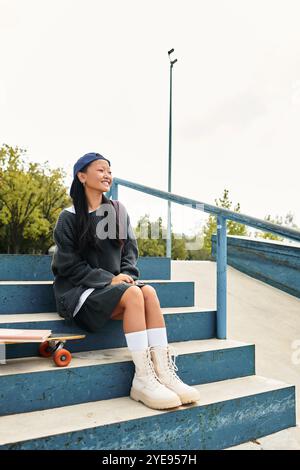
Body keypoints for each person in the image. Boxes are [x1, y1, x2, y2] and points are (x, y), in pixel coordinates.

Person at [51, 152, 200, 410]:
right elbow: (67, 265)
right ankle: (142, 379)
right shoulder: (69, 216)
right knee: (133, 295)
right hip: (80, 295)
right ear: (82, 176)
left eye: (109, 170)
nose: (107, 174)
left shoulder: (117, 211)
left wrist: (127, 276)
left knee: (148, 292)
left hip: (115, 291)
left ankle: (163, 372)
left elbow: (130, 252)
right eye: (100, 170)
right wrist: (110, 280)